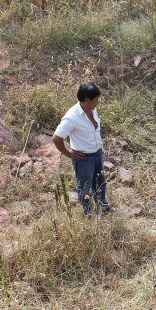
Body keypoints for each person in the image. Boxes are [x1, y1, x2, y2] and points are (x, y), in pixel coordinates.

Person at [52, 83, 113, 215]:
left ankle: (103, 207)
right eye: (96, 99)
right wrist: (69, 153)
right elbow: (56, 138)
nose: (98, 102)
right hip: (84, 159)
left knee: (100, 183)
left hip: (97, 154)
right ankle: (88, 214)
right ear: (87, 100)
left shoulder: (92, 109)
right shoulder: (72, 117)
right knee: (85, 188)